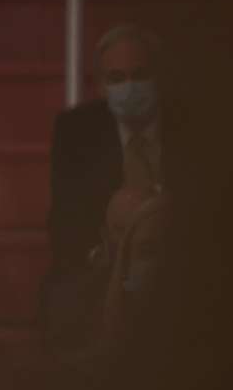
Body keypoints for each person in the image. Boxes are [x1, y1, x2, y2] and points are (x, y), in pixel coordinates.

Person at [47, 24, 165, 277]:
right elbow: (64, 221)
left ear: (159, 77)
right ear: (101, 86)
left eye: (140, 74)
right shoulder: (76, 131)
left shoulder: (193, 128)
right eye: (117, 78)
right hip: (104, 274)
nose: (130, 86)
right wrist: (99, 258)